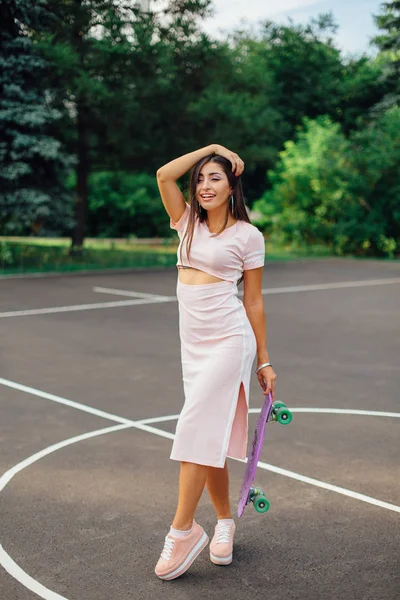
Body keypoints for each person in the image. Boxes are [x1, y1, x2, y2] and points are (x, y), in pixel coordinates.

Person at [155, 143, 277, 580]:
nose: (205, 186)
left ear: (232, 185)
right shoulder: (186, 221)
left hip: (229, 340)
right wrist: (210, 149)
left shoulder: (248, 236)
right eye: (202, 178)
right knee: (210, 436)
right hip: (194, 344)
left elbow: (255, 300)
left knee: (194, 429)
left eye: (215, 177)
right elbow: (164, 175)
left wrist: (263, 359)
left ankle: (182, 531)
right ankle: (224, 522)